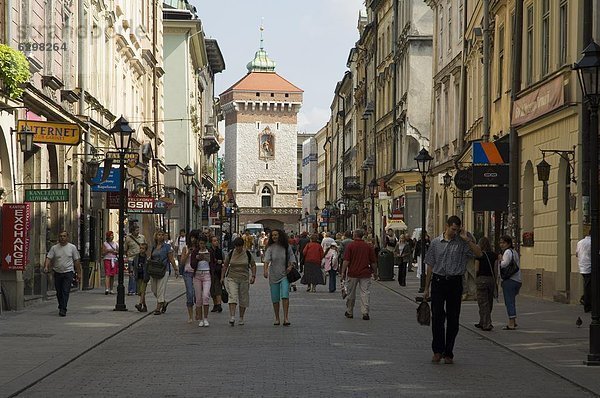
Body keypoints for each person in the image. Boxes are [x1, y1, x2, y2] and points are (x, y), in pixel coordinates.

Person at [423, 216, 482, 364]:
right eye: (453, 229)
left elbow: (479, 254)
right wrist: (426, 288)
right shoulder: (436, 243)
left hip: (455, 283)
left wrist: (466, 239)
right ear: (447, 226)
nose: (454, 232)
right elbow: (430, 265)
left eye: (457, 230)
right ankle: (437, 350)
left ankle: (448, 352)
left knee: (453, 319)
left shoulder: (462, 243)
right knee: (437, 317)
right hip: (438, 281)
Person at [341, 229, 377, 320]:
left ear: (355, 235)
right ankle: (365, 312)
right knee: (365, 293)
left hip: (353, 273)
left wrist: (342, 272)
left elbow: (346, 261)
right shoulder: (368, 246)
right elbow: (373, 262)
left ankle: (349, 311)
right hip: (365, 273)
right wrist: (375, 273)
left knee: (351, 293)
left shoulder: (351, 246)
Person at [43, 231, 82, 317]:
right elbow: (49, 258)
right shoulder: (54, 248)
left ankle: (63, 309)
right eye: (60, 236)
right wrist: (46, 266)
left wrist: (79, 273)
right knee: (59, 291)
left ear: (67, 237)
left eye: (64, 236)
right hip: (57, 272)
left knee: (65, 290)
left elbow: (76, 261)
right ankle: (61, 305)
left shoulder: (72, 247)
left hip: (68, 272)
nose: (62, 238)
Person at [263, 229, 296, 326]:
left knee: (285, 295)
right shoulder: (270, 248)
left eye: (276, 235)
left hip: (284, 274)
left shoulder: (286, 247)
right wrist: (265, 271)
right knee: (275, 298)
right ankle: (277, 318)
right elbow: (266, 260)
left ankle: (286, 318)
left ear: (280, 235)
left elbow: (292, 257)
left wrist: (290, 266)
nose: (274, 237)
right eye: (272, 235)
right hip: (273, 275)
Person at [222, 237, 257, 326]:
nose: (238, 248)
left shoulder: (247, 254)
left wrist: (253, 276)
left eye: (240, 246)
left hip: (244, 278)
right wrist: (222, 277)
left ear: (243, 246)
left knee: (243, 298)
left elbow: (253, 265)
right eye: (237, 247)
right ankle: (232, 316)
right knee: (232, 296)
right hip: (232, 278)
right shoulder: (231, 254)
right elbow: (225, 265)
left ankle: (241, 317)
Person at [150, 230, 176, 315]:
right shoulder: (154, 246)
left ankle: (158, 308)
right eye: (159, 235)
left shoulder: (167, 247)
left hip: (164, 270)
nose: (160, 236)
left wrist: (176, 269)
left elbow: (171, 258)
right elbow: (151, 257)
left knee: (160, 289)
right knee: (154, 290)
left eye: (162, 235)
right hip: (154, 270)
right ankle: (164, 302)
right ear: (156, 236)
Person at [498, 235, 521, 330]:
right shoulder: (514, 252)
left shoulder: (507, 252)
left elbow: (504, 264)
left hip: (510, 280)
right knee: (511, 300)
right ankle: (513, 321)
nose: (501, 244)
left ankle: (511, 323)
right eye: (500, 242)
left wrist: (500, 260)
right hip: (517, 280)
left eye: (503, 242)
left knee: (509, 301)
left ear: (508, 243)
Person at [474, 237, 497, 331]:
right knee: (489, 301)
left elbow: (476, 269)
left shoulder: (479, 255)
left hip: (481, 280)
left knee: (483, 303)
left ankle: (486, 324)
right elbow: (495, 268)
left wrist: (475, 278)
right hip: (491, 280)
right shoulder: (494, 255)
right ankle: (482, 321)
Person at [193, 235, 213, 326]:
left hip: (207, 274)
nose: (202, 245)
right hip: (197, 275)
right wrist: (197, 259)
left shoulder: (210, 251)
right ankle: (200, 319)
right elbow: (192, 264)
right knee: (198, 298)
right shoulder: (195, 252)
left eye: (204, 243)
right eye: (200, 243)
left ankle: (205, 318)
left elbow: (213, 262)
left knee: (205, 296)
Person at [180, 230, 199, 322]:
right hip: (187, 272)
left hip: (197, 272)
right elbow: (182, 262)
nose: (193, 239)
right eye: (192, 237)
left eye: (195, 237)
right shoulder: (185, 248)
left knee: (197, 294)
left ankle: (197, 311)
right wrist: (188, 253)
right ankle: (190, 316)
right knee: (190, 292)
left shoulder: (200, 248)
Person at [124, 225, 146, 296]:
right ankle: (131, 290)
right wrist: (126, 256)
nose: (138, 232)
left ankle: (138, 290)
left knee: (139, 275)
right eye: (136, 230)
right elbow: (125, 249)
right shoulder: (128, 238)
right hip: (131, 258)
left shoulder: (142, 237)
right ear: (132, 231)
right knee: (132, 275)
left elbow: (145, 246)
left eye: (138, 230)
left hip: (140, 258)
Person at [576, 229, 591, 313]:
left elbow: (577, 254)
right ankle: (586, 303)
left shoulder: (580, 242)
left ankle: (586, 301)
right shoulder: (593, 242)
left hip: (582, 267)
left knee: (587, 285)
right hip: (590, 267)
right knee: (589, 287)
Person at [209, 236, 224, 313]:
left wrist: (219, 261)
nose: (216, 242)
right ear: (211, 242)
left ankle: (219, 305)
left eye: (217, 240)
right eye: (214, 241)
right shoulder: (209, 250)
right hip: (210, 272)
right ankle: (215, 305)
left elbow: (223, 261)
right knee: (212, 290)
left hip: (218, 272)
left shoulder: (219, 251)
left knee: (218, 288)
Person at [133, 243, 149, 312]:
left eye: (143, 248)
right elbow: (134, 265)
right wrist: (133, 272)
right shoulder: (137, 257)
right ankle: (145, 306)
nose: (141, 250)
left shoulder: (147, 258)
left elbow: (148, 267)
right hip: (138, 275)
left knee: (142, 290)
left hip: (144, 276)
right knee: (140, 292)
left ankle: (140, 304)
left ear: (145, 250)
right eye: (140, 248)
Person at [101, 231, 118, 295]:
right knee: (107, 274)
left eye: (113, 235)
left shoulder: (115, 244)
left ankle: (111, 289)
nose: (112, 236)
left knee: (112, 275)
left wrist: (115, 252)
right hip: (107, 259)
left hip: (114, 260)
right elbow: (102, 253)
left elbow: (118, 251)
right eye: (111, 235)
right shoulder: (105, 243)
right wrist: (108, 251)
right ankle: (107, 289)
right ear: (108, 236)